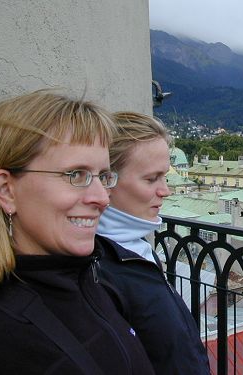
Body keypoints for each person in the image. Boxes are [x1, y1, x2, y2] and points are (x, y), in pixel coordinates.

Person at [0, 90, 155, 375]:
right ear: (6, 190)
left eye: (103, 176)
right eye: (76, 175)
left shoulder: (96, 284)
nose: (102, 198)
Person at [97, 112, 211, 375]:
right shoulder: (99, 269)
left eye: (165, 177)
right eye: (151, 179)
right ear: (106, 180)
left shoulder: (135, 250)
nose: (165, 191)